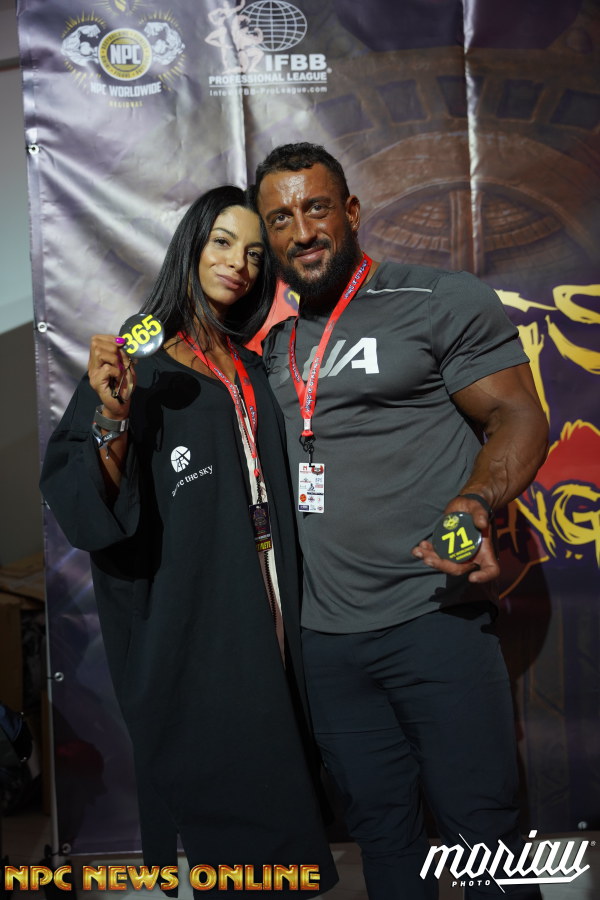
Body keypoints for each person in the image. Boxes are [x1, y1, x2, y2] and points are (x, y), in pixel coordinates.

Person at [255, 143, 549, 899]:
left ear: (351, 211)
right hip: (327, 644)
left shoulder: (436, 298)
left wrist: (473, 504)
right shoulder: (274, 344)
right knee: (383, 842)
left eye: (316, 208)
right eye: (280, 219)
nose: (302, 231)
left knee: (486, 840)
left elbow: (518, 416)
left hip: (434, 619)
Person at [40, 186, 338, 895]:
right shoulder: (141, 360)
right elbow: (83, 495)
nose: (240, 263)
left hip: (272, 600)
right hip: (199, 617)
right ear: (192, 248)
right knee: (226, 802)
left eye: (255, 254)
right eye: (223, 243)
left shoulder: (249, 364)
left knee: (279, 793)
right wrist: (113, 418)